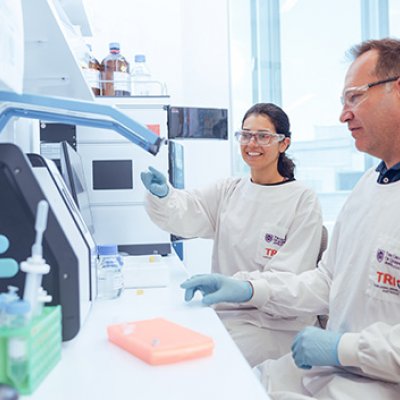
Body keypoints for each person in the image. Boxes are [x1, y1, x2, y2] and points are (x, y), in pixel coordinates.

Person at [181, 38, 400, 399]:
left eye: (355, 97)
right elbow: (326, 281)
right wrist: (252, 288)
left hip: (374, 386)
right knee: (216, 381)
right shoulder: (368, 187)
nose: (344, 114)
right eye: (343, 101)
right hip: (327, 371)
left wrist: (342, 348)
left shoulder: (303, 197)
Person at [141, 103, 323, 367]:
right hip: (227, 314)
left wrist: (244, 289)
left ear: (283, 144)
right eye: (246, 135)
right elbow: (189, 212)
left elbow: (291, 279)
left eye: (263, 136)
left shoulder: (302, 200)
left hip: (274, 326)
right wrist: (164, 196)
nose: (252, 143)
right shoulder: (230, 190)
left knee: (195, 364)